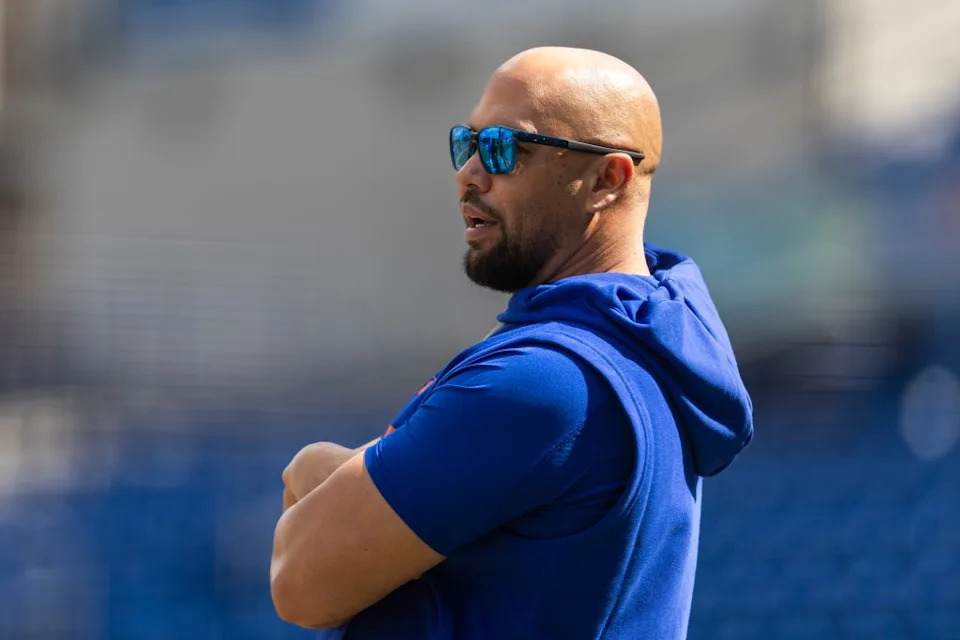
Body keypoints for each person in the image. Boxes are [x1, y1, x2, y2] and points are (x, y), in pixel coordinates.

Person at [270, 46, 753, 639]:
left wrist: (316, 465)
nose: (470, 173)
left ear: (607, 179)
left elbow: (301, 581)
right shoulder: (635, 351)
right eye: (466, 143)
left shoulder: (549, 379)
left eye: (504, 149)